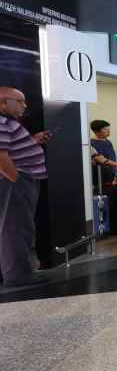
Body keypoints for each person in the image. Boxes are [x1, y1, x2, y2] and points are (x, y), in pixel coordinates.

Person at [0, 87, 51, 286]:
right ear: (4, 102)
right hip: (15, 183)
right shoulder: (2, 122)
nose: (25, 105)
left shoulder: (8, 123)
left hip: (21, 181)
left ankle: (23, 271)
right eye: (19, 101)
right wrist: (16, 178)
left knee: (22, 226)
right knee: (16, 228)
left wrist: (33, 140)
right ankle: (17, 276)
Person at [89, 120, 117, 189]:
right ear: (96, 131)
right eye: (105, 129)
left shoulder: (108, 142)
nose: (108, 131)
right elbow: (100, 159)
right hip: (100, 179)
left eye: (108, 128)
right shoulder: (91, 143)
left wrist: (116, 172)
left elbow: (112, 158)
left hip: (112, 177)